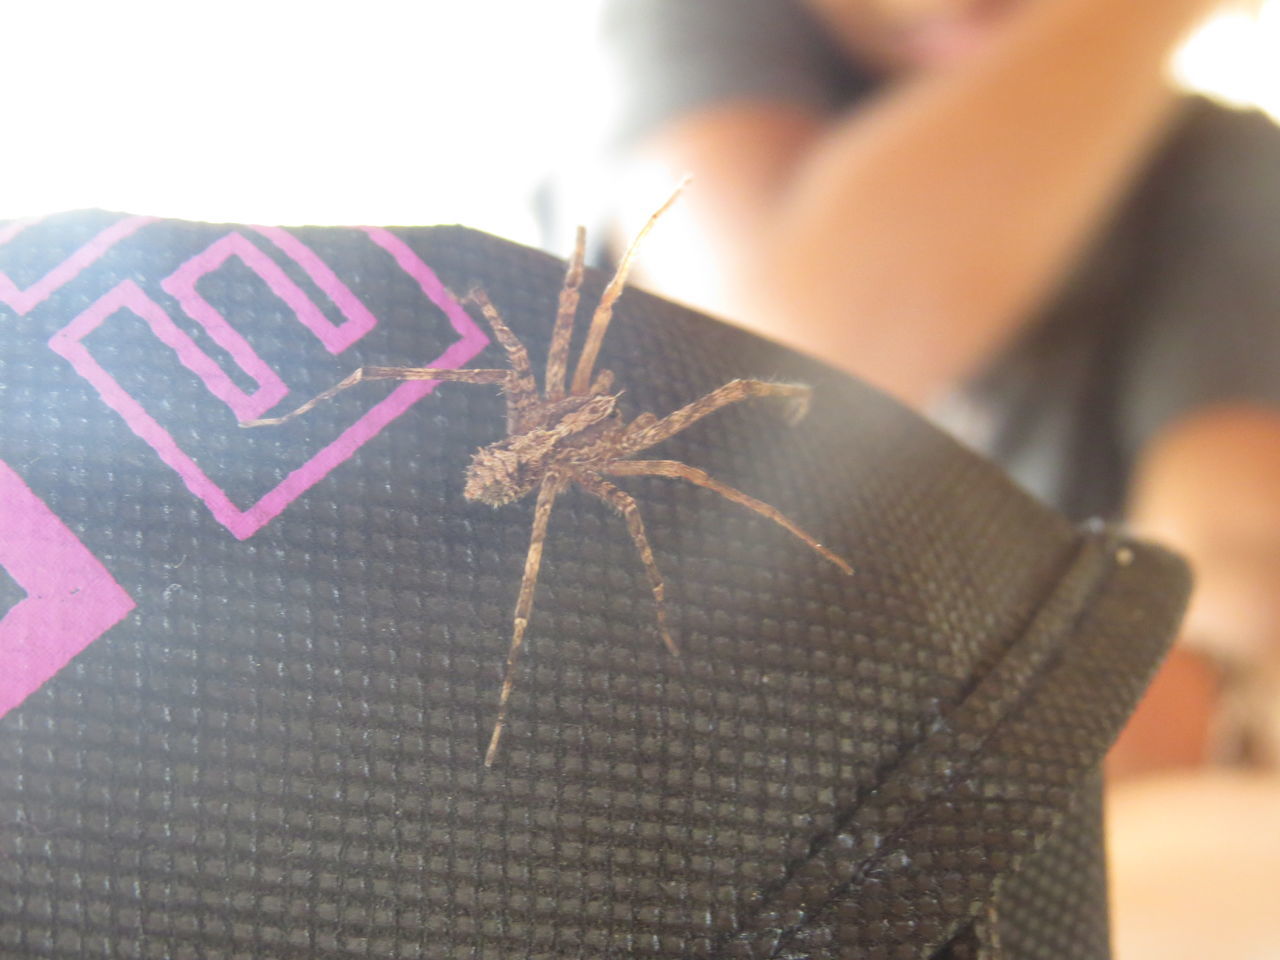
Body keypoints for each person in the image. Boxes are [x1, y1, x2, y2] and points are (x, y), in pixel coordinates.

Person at [586, 0, 1280, 776]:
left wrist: (1213, 696)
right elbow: (771, 354)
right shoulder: (697, 41)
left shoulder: (1223, 168)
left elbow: (1236, 554)